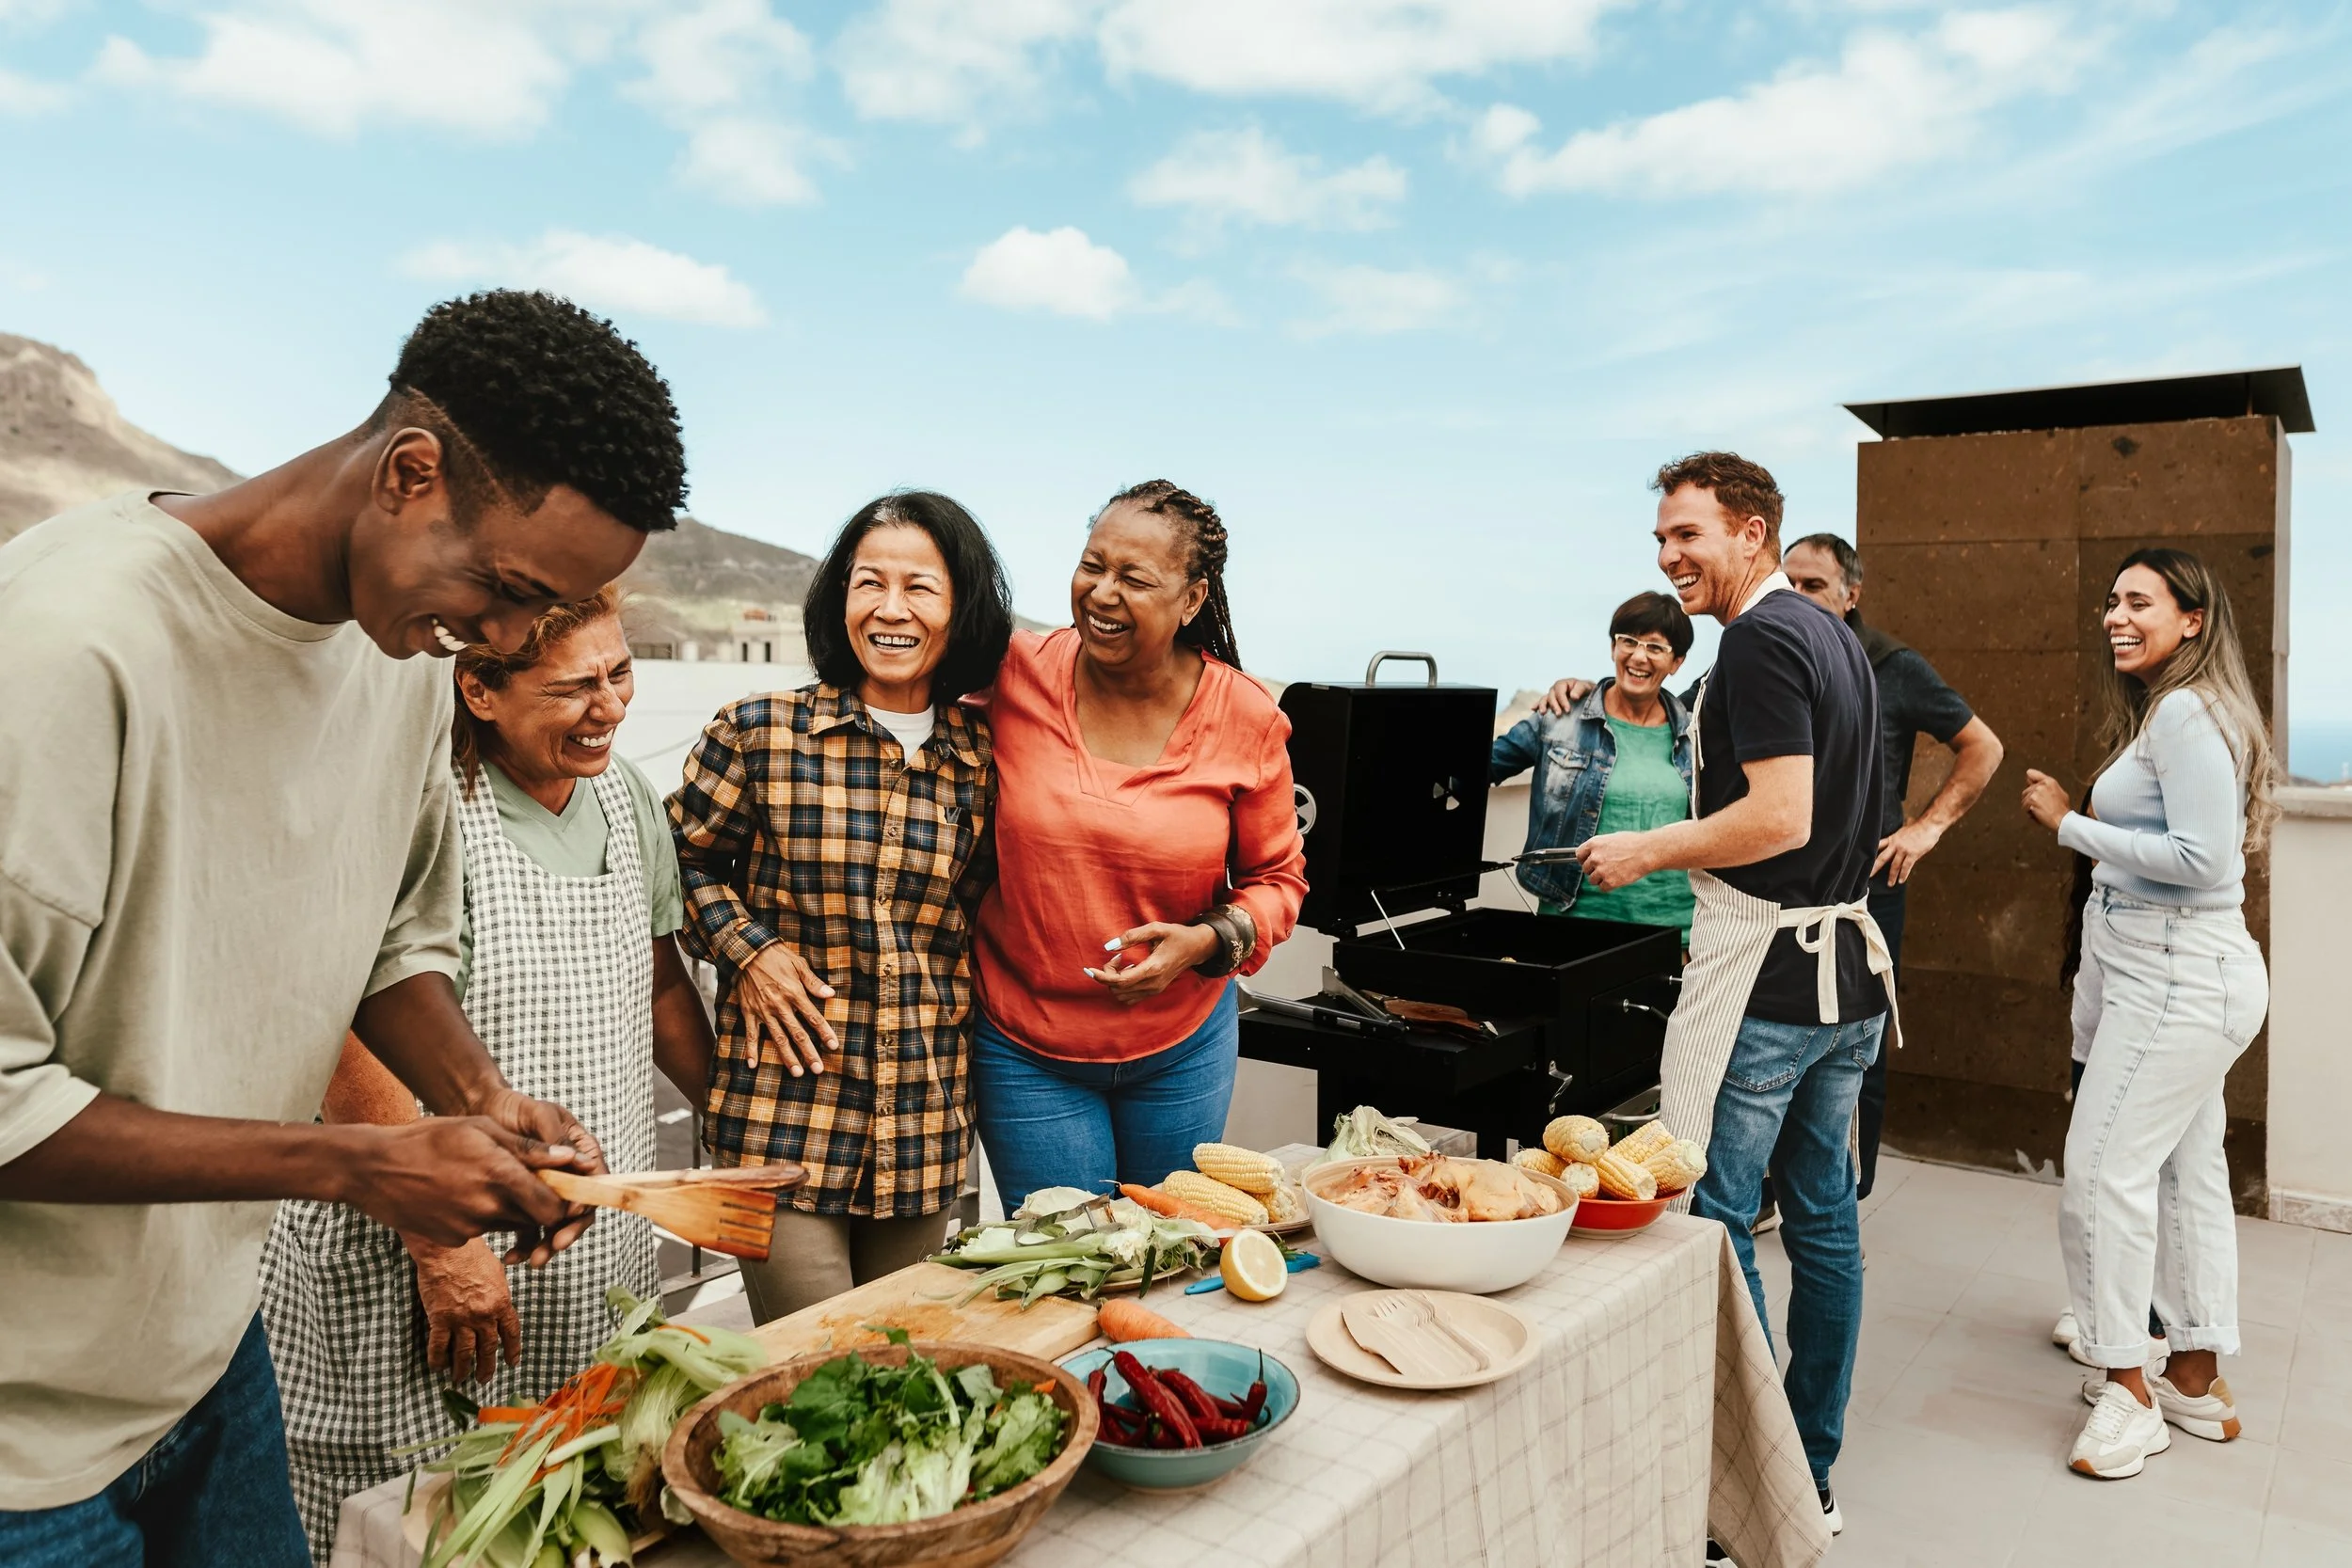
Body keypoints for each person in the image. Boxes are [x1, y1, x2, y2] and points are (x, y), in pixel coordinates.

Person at [0, 290, 683, 1562]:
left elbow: (391, 928)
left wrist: (476, 1092)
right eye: (509, 589)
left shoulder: (401, 652)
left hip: (205, 1359)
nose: (507, 641)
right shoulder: (59, 651)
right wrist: (362, 1163)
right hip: (21, 1443)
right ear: (409, 473)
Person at [259, 588, 713, 1554]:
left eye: (620, 673)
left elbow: (661, 984)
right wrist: (439, 1243)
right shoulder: (408, 798)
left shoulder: (626, 797)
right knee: (407, 1519)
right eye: (574, 687)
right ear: (479, 688)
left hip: (587, 1247)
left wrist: (732, 1116)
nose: (612, 706)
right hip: (415, 1246)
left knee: (573, 1505)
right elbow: (337, 1023)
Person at [1572, 452, 1890, 1540]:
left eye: (1689, 535)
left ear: (1751, 532)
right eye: (1661, 539)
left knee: (1711, 1220)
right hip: (1845, 980)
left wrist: (1647, 848)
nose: (1670, 557)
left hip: (1766, 976)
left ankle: (1751, 1484)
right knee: (1824, 1220)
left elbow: (1780, 815)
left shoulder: (1758, 638)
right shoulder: (1833, 634)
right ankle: (1811, 1471)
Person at [670, 493, 1013, 1323]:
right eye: (869, 583)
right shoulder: (758, 732)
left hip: (922, 1122)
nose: (890, 609)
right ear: (840, 598)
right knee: (811, 1373)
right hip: (782, 1116)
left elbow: (978, 920)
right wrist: (747, 948)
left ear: (960, 606)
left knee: (910, 1368)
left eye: (920, 588)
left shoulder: (985, 765)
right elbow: (679, 863)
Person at [966, 480, 1307, 1212]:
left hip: (1182, 1052)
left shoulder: (1246, 715)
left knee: (1167, 1262)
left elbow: (1278, 879)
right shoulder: (1014, 673)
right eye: (1093, 565)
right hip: (1027, 1049)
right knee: (1071, 1264)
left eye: (1134, 578)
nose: (1101, 593)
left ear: (1192, 599)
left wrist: (1205, 940)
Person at [2021, 547, 2273, 1481]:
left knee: (2099, 1174)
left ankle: (2126, 1387)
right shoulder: (2181, 709)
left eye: (2138, 600)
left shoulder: (2182, 711)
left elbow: (2199, 858)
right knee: (2182, 1169)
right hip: (2175, 972)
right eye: (2109, 600)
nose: (2113, 615)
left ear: (2193, 617)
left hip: (2177, 975)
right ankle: (2193, 1376)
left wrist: (2065, 821)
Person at [1781, 533, 2004, 1196]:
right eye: (1787, 583)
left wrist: (1925, 828)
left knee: (1858, 1045)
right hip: (1776, 885)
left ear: (1852, 596)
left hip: (1865, 891)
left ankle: (1845, 1197)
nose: (1796, 597)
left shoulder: (1891, 665)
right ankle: (1776, 1186)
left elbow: (1983, 746)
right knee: (1773, 1039)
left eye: (1813, 586)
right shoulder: (1770, 654)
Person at [1490, 591, 1696, 939]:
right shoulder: (1559, 719)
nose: (1639, 656)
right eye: (1628, 641)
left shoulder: (1696, 734)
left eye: (1656, 647)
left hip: (1677, 929)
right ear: (1613, 647)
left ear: (1676, 662)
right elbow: (1477, 767)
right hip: (1574, 924)